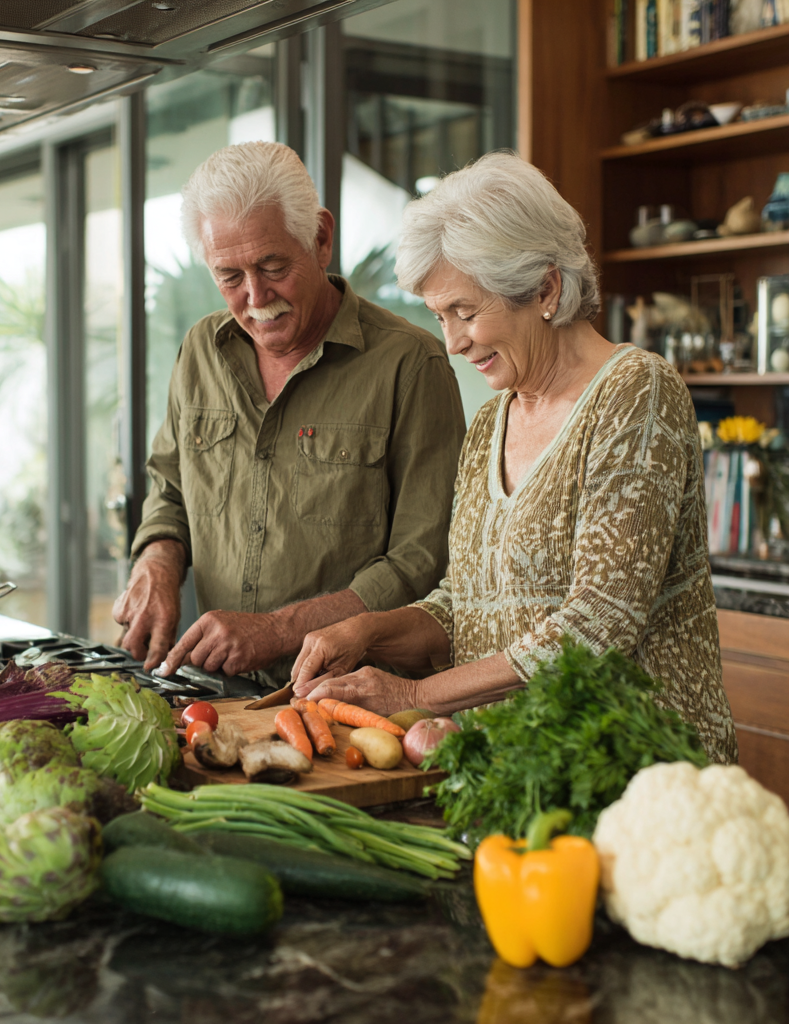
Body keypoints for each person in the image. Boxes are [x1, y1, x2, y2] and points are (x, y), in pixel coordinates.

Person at [292, 151, 736, 764]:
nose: (451, 342)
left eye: (465, 313)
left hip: (638, 775)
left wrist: (416, 693)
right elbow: (468, 604)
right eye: (439, 316)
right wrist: (371, 631)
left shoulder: (637, 392)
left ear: (545, 288)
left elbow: (597, 625)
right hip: (521, 768)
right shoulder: (488, 424)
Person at [113, 141, 466, 685]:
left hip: (355, 697)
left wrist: (280, 630)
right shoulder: (200, 349)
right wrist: (158, 559)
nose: (256, 296)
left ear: (320, 238)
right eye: (229, 276)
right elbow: (171, 488)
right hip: (217, 690)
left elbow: (423, 560)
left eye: (273, 265)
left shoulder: (410, 362)